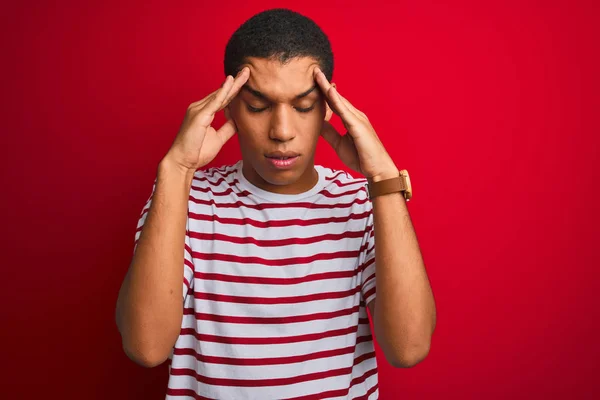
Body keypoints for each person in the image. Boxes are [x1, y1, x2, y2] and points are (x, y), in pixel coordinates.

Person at [116, 8, 436, 400]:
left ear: (327, 108)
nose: (282, 132)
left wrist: (382, 179)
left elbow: (409, 347)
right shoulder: (186, 199)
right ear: (229, 104)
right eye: (257, 106)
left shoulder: (360, 202)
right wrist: (175, 169)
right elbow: (145, 347)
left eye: (303, 106)